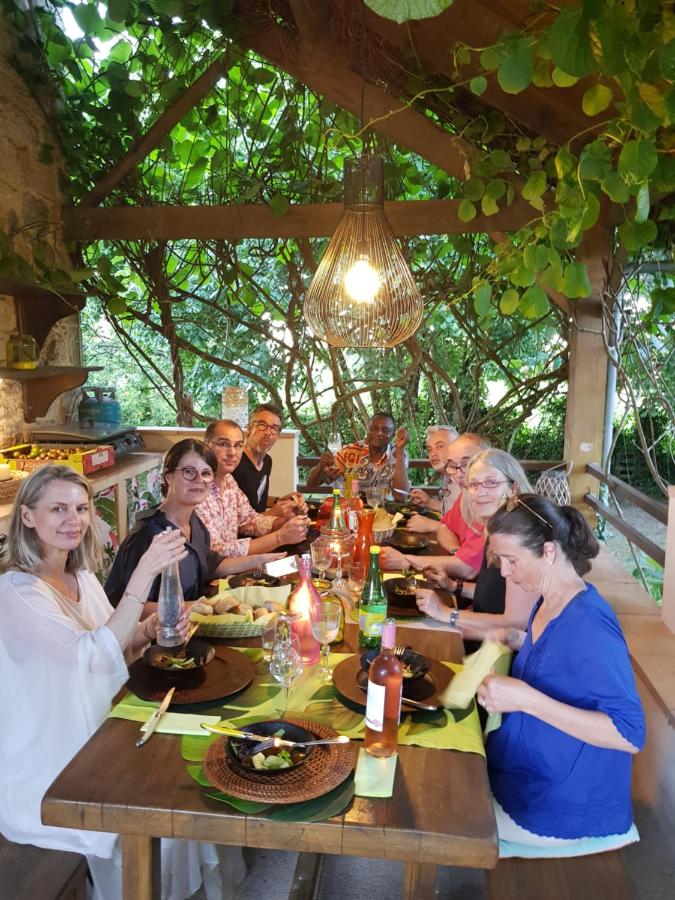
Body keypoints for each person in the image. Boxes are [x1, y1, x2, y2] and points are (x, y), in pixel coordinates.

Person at [0, 465, 245, 899]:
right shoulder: (16, 592)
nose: (73, 519)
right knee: (162, 806)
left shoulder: (80, 575)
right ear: (27, 516)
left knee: (189, 773)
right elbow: (91, 656)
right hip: (58, 752)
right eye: (58, 509)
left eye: (81, 508)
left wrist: (147, 631)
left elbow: (114, 643)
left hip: (103, 720)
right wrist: (143, 573)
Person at [477, 494, 645, 854]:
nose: (504, 572)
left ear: (549, 551)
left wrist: (526, 699)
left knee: (451, 816)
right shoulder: (550, 599)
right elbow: (559, 659)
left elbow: (630, 734)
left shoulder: (590, 624)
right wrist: (519, 640)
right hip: (529, 768)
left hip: (563, 799)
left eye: (511, 560)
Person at [105, 439, 283, 609]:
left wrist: (257, 561)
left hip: (193, 622)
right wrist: (200, 607)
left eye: (206, 473)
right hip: (163, 629)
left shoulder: (194, 522)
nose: (199, 479)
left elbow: (211, 564)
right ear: (168, 476)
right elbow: (127, 608)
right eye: (189, 471)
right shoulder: (147, 535)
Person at [414, 449, 537, 641]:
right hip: (487, 636)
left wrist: (445, 613)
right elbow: (495, 594)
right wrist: (453, 586)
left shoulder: (521, 537)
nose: (480, 492)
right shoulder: (494, 528)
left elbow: (516, 623)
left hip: (506, 649)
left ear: (513, 488)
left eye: (491, 483)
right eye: (473, 484)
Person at [381, 433, 491, 578]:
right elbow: (444, 528)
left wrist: (405, 561)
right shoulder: (466, 494)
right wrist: (456, 553)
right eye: (452, 465)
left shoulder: (487, 504)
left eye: (466, 464)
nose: (458, 475)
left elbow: (468, 569)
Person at [199, 419, 309, 557]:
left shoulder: (228, 480)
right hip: (211, 570)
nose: (232, 452)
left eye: (238, 445)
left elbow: (249, 520)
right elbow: (216, 552)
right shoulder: (196, 487)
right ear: (206, 445)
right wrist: (280, 537)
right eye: (224, 444)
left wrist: (286, 522)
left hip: (236, 565)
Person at [306, 412, 411, 496]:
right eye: (373, 429)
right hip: (351, 509)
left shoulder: (398, 455)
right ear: (367, 430)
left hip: (383, 511)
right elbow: (311, 484)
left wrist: (400, 450)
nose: (379, 433)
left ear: (393, 434)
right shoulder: (349, 452)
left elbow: (401, 495)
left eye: (385, 430)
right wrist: (321, 466)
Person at [232, 402, 302, 516]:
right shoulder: (235, 464)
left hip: (263, 525)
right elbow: (235, 519)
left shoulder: (267, 461)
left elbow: (256, 500)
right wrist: (273, 513)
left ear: (278, 435)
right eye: (262, 425)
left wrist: (281, 501)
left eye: (274, 428)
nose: (268, 432)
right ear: (249, 428)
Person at [409, 424, 460, 516]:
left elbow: (462, 518)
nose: (432, 454)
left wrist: (430, 524)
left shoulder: (465, 478)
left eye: (440, 446)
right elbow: (451, 508)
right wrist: (428, 502)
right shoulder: (447, 474)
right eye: (429, 449)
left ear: (457, 448)